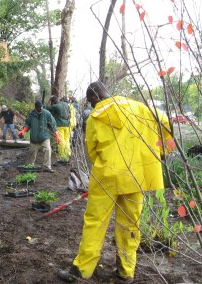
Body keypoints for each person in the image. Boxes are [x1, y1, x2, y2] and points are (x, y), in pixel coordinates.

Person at [57, 81, 173, 283]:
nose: (93, 106)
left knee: (95, 222)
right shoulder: (140, 108)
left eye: (92, 101)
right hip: (137, 177)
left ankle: (81, 271)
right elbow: (166, 125)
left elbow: (93, 153)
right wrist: (163, 152)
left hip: (107, 179)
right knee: (130, 224)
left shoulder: (95, 117)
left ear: (96, 97)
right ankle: (126, 271)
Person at [18, 101, 60, 173]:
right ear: (36, 108)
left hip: (44, 136)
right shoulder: (32, 114)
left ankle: (47, 166)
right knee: (32, 152)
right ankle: (29, 166)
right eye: (38, 108)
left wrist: (57, 136)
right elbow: (28, 124)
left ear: (42, 107)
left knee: (48, 149)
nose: (40, 109)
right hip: (34, 138)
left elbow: (53, 125)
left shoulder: (47, 113)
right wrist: (23, 131)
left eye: (41, 108)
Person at [47, 95, 71, 164]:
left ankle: (62, 156)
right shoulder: (66, 104)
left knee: (61, 140)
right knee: (67, 139)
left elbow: (47, 107)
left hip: (60, 125)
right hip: (67, 124)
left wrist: (49, 99)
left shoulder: (55, 106)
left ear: (53, 102)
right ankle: (68, 153)